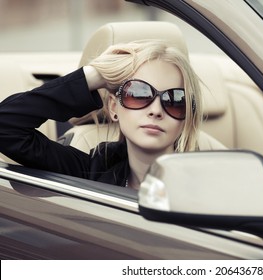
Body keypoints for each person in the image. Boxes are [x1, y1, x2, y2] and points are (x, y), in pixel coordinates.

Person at [0, 40, 203, 190]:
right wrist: (94, 75)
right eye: (138, 94)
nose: (156, 110)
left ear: (187, 117)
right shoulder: (91, 172)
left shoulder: (206, 184)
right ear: (114, 108)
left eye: (175, 101)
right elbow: (5, 126)